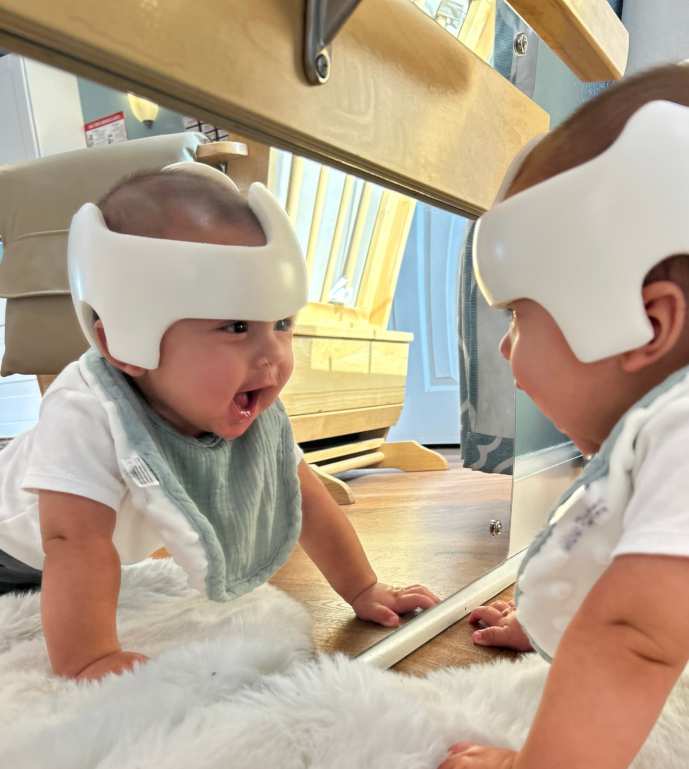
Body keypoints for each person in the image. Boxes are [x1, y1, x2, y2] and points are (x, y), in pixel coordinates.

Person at [432, 60, 689, 769]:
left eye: (520, 316)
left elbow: (636, 634)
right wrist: (555, 614)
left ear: (644, 323)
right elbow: (634, 568)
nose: (507, 350)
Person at [0, 164, 438, 681]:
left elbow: (306, 500)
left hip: (56, 561)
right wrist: (90, 656)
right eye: (236, 326)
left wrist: (363, 588)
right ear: (125, 341)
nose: (274, 353)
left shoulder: (243, 405)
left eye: (282, 323)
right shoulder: (87, 409)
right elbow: (74, 542)